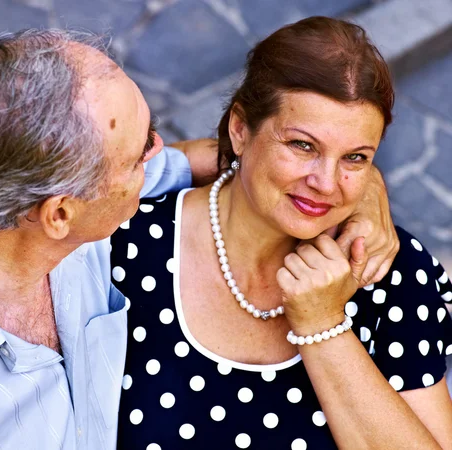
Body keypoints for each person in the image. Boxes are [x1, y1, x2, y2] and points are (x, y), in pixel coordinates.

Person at [0, 27, 397, 449]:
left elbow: (229, 157)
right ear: (60, 215)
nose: (161, 152)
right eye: (140, 154)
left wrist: (361, 182)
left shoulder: (27, 190)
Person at [111, 17, 452, 450]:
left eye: (355, 158)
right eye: (302, 146)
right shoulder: (122, 241)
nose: (326, 183)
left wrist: (324, 326)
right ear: (240, 129)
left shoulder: (391, 272)